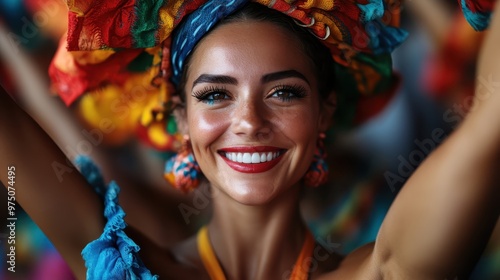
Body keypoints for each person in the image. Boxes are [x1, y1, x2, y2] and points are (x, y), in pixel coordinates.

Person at [1, 1, 499, 279]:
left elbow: (492, 120)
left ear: (324, 109)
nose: (249, 121)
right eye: (216, 94)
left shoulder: (387, 273)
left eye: (283, 92)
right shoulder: (120, 267)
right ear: (181, 118)